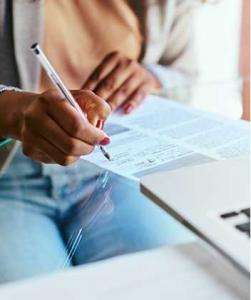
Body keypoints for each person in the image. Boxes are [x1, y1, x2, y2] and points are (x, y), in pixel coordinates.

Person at [0, 0, 196, 283]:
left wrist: (150, 79)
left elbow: (186, 74)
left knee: (172, 283)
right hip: (9, 175)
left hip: (117, 168)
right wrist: (13, 110)